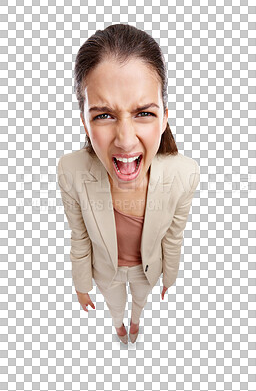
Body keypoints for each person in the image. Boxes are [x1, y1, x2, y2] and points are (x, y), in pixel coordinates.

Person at [57, 23, 200, 344]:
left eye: (144, 113)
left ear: (164, 117)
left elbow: (174, 237)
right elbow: (78, 237)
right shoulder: (71, 169)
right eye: (104, 115)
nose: (124, 140)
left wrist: (170, 278)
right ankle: (120, 325)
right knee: (115, 306)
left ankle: (135, 322)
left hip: (147, 271)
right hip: (106, 273)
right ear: (84, 121)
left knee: (139, 302)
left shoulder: (184, 173)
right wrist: (81, 285)